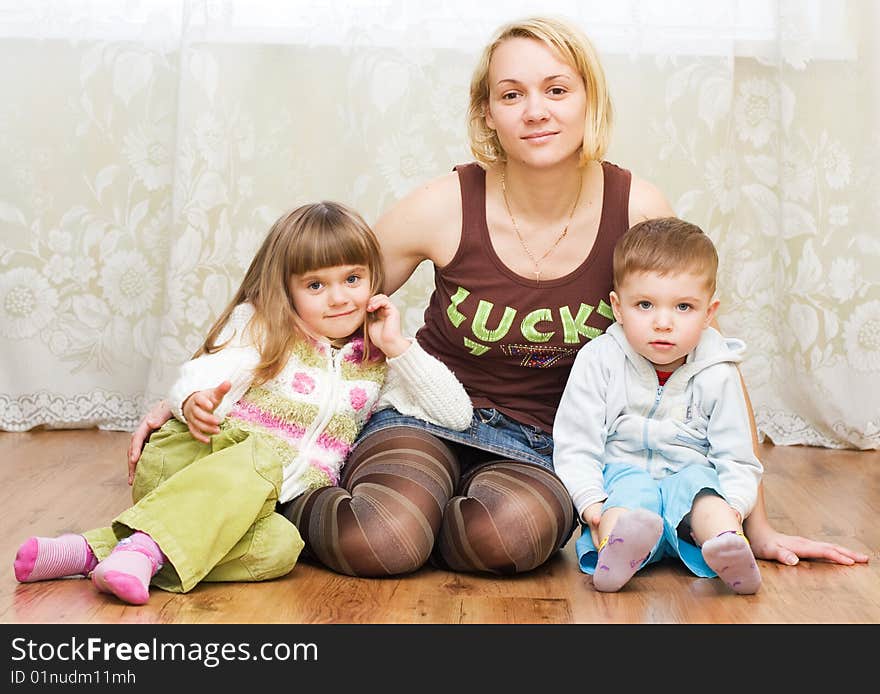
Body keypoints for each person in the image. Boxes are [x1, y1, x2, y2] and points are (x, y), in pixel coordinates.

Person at [127, 16, 868, 576]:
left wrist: (757, 526)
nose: (535, 110)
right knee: (380, 538)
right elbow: (309, 293)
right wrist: (197, 385)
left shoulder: (639, 206)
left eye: (555, 89)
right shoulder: (443, 204)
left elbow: (712, 360)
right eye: (511, 94)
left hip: (545, 442)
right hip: (421, 417)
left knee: (500, 536)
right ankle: (275, 497)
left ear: (587, 100)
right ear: (487, 112)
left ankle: (434, 523)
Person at [13, 201, 472, 603]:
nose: (338, 298)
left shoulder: (376, 360)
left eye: (352, 279)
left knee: (280, 548)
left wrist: (398, 347)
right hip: (200, 461)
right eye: (316, 286)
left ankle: (94, 551)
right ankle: (141, 550)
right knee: (259, 459)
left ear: (374, 277)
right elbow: (205, 375)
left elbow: (456, 414)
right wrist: (193, 400)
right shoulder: (262, 326)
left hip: (252, 504)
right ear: (287, 289)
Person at [553, 217, 763, 594]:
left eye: (683, 307)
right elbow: (575, 442)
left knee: (706, 496)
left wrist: (736, 506)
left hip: (689, 480)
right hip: (624, 475)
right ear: (618, 307)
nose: (663, 323)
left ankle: (727, 545)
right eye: (645, 305)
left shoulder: (717, 371)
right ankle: (615, 553)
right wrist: (591, 503)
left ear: (709, 313)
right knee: (628, 501)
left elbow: (737, 456)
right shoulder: (599, 360)